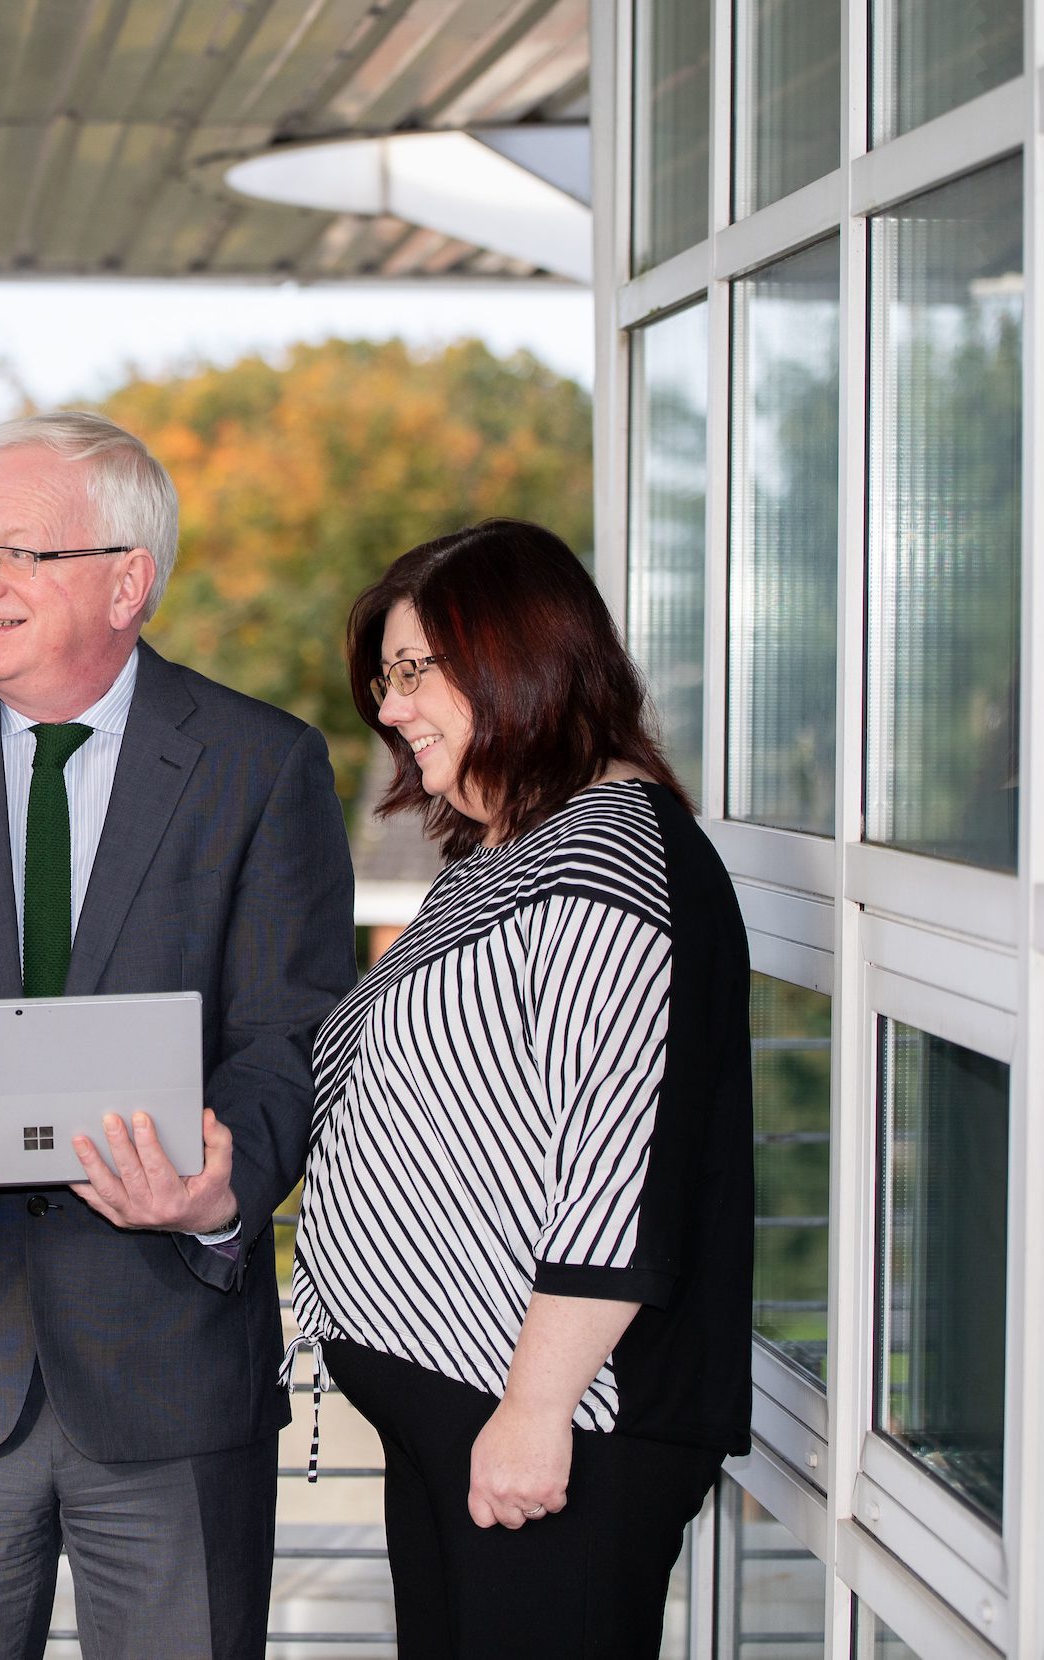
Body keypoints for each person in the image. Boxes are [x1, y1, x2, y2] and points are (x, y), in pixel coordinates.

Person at [0, 411, 357, 1659]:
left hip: (176, 1369)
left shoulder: (262, 766)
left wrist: (222, 1186)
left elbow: (288, 1033)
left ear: (127, 582)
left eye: (19, 555)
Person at [293, 519, 753, 1658]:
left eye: (414, 672)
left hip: (554, 1430)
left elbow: (618, 1169)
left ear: (519, 656)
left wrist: (537, 1409)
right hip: (464, 1407)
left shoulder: (611, 864)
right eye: (383, 677)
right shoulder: (513, 846)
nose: (389, 707)